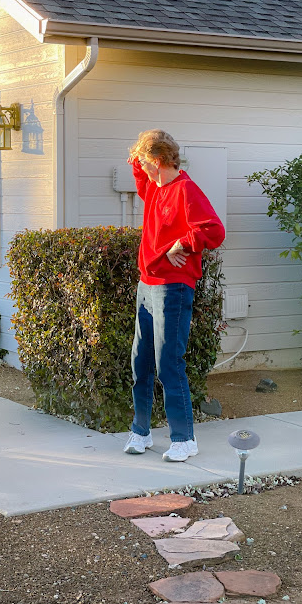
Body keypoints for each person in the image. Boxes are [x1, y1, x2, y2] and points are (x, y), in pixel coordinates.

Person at [123, 129, 225, 462]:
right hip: (147, 285)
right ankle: (141, 432)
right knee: (140, 363)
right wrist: (137, 152)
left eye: (144, 161)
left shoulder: (185, 190)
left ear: (157, 160)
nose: (141, 168)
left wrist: (181, 244)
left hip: (173, 288)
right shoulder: (154, 187)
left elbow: (214, 230)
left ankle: (184, 439)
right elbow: (138, 172)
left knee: (168, 364)